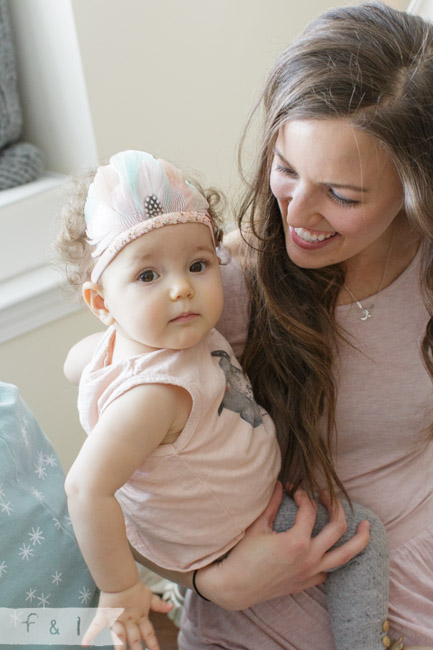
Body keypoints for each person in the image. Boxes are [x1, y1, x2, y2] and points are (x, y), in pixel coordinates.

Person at [56, 149, 398, 650]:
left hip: (241, 506)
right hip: (235, 529)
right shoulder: (154, 396)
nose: (181, 290)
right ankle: (367, 642)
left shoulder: (153, 343)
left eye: (197, 265)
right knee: (364, 537)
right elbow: (85, 488)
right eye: (148, 276)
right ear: (102, 303)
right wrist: (121, 587)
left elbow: (75, 361)